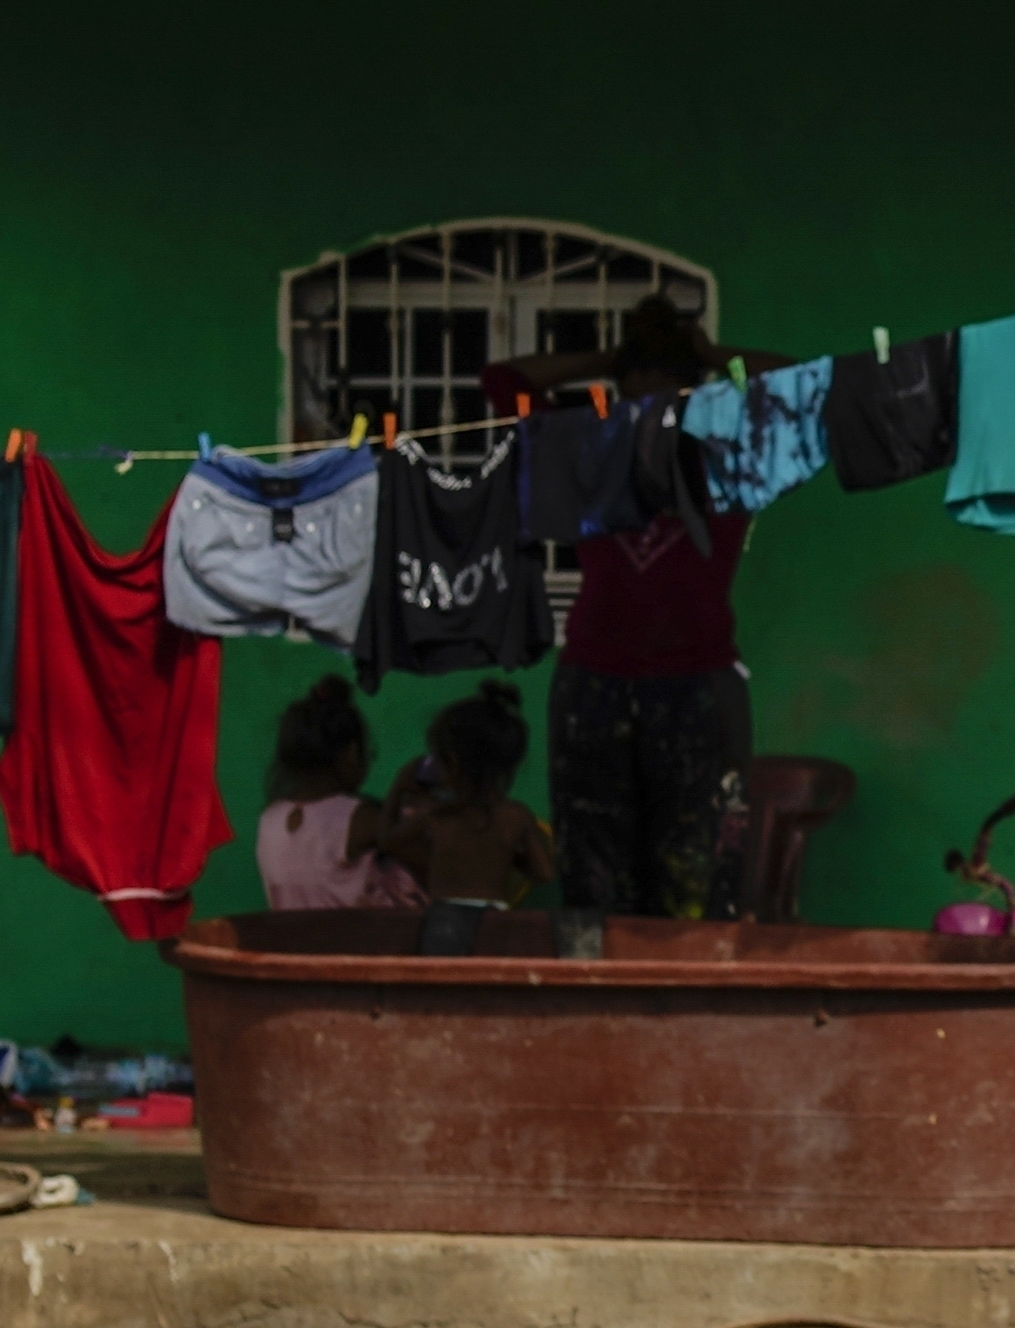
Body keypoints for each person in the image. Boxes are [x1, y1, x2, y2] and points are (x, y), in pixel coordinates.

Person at [542, 298, 749, 920]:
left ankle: (689, 1006)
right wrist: (612, 358)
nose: (654, 405)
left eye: (670, 391)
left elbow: (805, 385)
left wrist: (710, 358)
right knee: (590, 872)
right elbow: (504, 383)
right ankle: (592, 999)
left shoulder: (728, 468)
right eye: (640, 391)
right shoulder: (591, 460)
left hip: (696, 688)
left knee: (696, 876)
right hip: (593, 688)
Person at [258, 673, 426, 914]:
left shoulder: (270, 818)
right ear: (351, 753)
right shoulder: (357, 817)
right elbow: (440, 865)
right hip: (354, 948)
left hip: (292, 947)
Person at [394, 679, 556, 909]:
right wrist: (507, 855)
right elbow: (545, 873)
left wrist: (398, 788)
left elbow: (389, 842)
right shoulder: (516, 816)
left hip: (443, 923)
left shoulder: (438, 815)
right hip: (494, 925)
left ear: (453, 762)